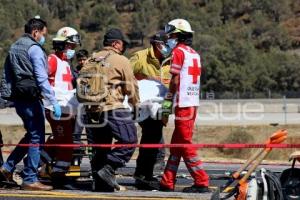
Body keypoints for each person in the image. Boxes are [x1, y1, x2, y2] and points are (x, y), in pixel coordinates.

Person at [0, 17, 61, 190]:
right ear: (36, 32)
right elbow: (42, 79)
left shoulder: (14, 46)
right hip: (31, 98)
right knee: (37, 137)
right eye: (43, 34)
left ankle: (7, 167)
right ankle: (30, 178)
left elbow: (7, 75)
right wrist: (53, 101)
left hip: (19, 98)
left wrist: (8, 96)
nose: (44, 38)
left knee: (31, 135)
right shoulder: (34, 49)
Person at [85, 28, 139, 192]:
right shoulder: (120, 60)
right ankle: (108, 169)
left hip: (92, 110)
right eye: (122, 44)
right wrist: (135, 105)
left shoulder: (92, 59)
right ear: (116, 43)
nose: (124, 48)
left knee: (101, 147)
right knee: (129, 141)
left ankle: (101, 183)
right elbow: (131, 85)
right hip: (113, 107)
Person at [159, 19, 210, 193]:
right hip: (192, 103)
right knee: (177, 144)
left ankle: (201, 181)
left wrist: (166, 104)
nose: (169, 39)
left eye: (171, 35)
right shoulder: (194, 53)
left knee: (185, 144)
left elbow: (174, 81)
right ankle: (167, 181)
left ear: (179, 35)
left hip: (184, 104)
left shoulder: (179, 52)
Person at [129, 31, 172, 190]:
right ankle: (143, 175)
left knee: (154, 138)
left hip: (160, 107)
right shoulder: (139, 58)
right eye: (166, 44)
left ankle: (145, 174)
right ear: (156, 44)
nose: (169, 48)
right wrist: (143, 80)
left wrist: (167, 111)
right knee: (151, 137)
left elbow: (171, 86)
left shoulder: (170, 61)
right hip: (140, 106)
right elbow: (125, 76)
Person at [42, 27, 80, 184]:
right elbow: (41, 78)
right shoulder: (53, 60)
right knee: (66, 143)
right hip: (55, 109)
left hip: (65, 109)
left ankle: (41, 163)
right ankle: (58, 174)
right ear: (62, 45)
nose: (72, 50)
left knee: (62, 140)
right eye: (70, 46)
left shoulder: (65, 63)